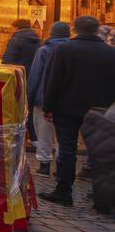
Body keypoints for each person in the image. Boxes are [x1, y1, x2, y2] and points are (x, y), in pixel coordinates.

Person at [40, 15, 115, 207]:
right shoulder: (110, 52)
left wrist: (48, 107)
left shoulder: (64, 49)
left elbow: (53, 80)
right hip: (100, 110)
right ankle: (101, 196)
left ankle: (64, 191)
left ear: (75, 29)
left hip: (67, 108)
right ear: (96, 30)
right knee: (99, 153)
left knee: (67, 149)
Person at [28, 22, 71, 176]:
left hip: (43, 97)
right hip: (66, 99)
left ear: (52, 33)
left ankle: (44, 165)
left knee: (44, 132)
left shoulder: (44, 50)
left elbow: (35, 75)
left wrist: (29, 98)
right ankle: (61, 166)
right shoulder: (73, 50)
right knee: (63, 135)